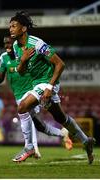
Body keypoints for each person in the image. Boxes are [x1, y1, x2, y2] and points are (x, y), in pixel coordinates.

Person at [9, 11, 95, 164]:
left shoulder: (37, 44)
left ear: (23, 29)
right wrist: (22, 61)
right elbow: (21, 72)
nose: (10, 29)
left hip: (48, 82)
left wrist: (49, 87)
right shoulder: (16, 46)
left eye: (14, 26)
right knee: (61, 118)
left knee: (22, 107)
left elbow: (60, 64)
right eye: (10, 26)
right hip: (37, 84)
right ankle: (85, 141)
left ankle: (29, 147)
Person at [0, 36, 73, 161]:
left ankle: (33, 149)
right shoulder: (3, 58)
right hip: (18, 95)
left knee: (29, 118)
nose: (7, 46)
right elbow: (1, 77)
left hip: (32, 92)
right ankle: (62, 133)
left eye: (9, 43)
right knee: (39, 126)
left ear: (15, 43)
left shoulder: (26, 53)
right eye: (5, 44)